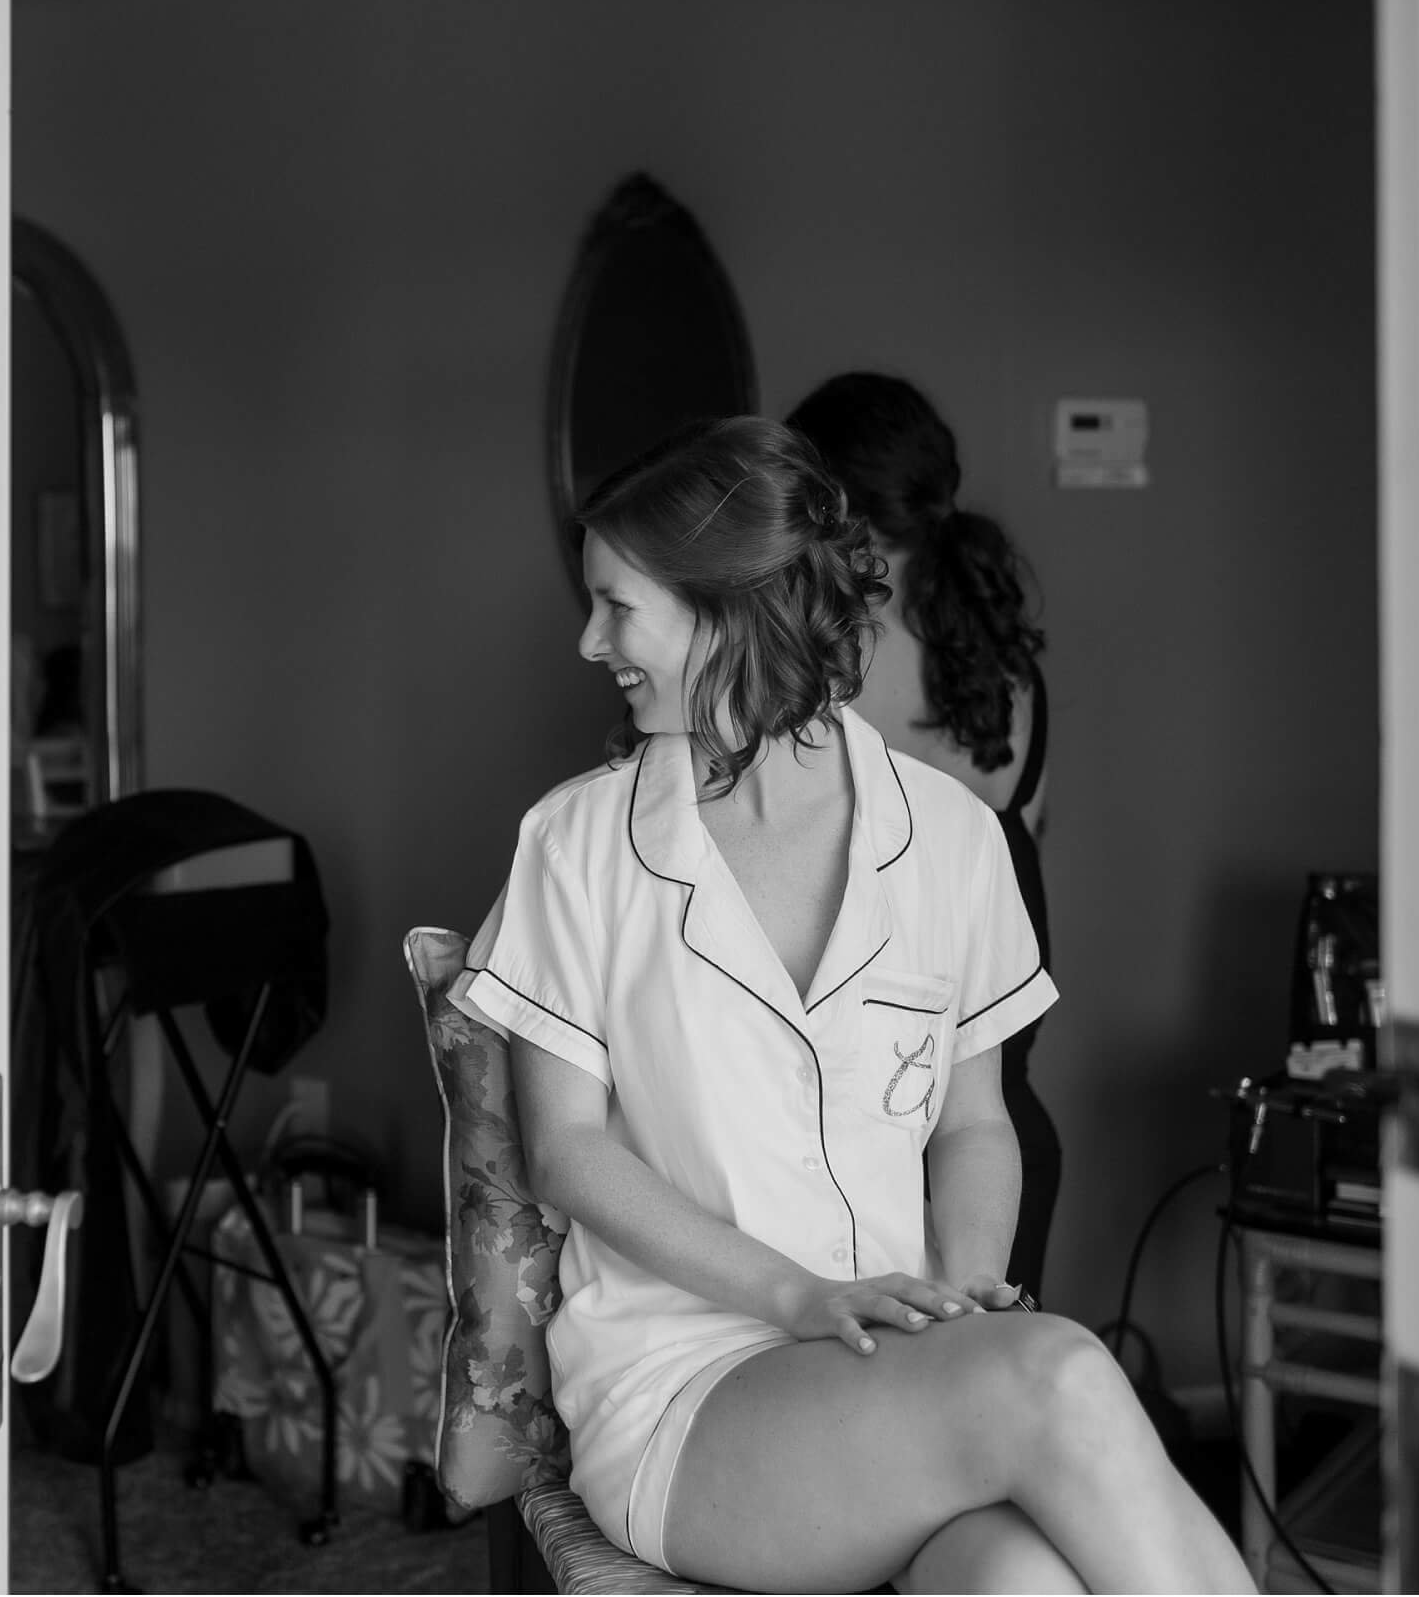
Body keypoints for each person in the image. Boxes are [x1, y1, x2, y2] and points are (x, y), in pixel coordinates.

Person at [453, 417, 1246, 1592]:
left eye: (619, 607)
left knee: (1013, 1582)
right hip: (687, 1387)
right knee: (1061, 1375)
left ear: (731, 606)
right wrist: (802, 1297)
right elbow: (566, 1154)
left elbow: (975, 1123)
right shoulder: (577, 843)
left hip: (891, 1370)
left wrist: (968, 1296)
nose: (588, 641)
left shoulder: (951, 841)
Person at [785, 371, 1062, 1300]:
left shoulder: (825, 656)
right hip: (1007, 1125)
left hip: (889, 1135)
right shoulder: (1004, 656)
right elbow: (1032, 825)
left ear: (830, 504)